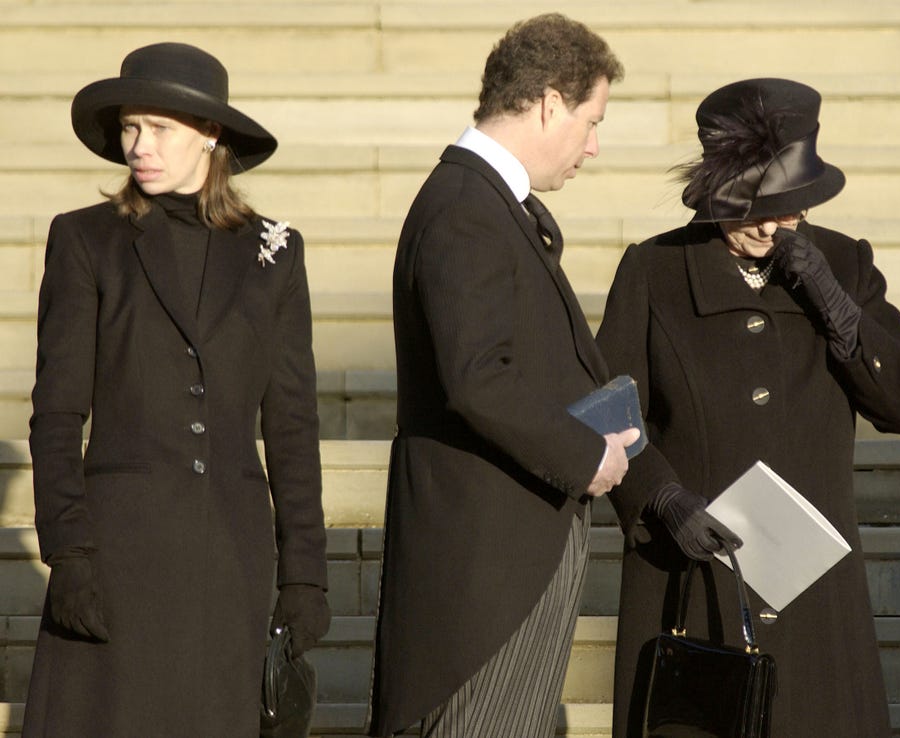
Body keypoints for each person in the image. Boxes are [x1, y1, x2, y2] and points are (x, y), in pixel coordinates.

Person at [596, 78, 900, 738]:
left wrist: (835, 304)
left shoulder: (842, 260)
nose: (769, 224)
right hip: (694, 576)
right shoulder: (653, 269)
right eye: (750, 206)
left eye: (787, 207)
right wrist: (663, 497)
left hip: (815, 592)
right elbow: (605, 404)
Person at [24, 42, 331, 737]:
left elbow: (292, 425)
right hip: (118, 557)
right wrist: (68, 552)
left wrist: (305, 576)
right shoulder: (85, 241)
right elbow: (56, 414)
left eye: (158, 128)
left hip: (230, 561)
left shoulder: (275, 252)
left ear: (210, 134)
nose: (138, 146)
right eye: (130, 128)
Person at [368, 14, 632, 738]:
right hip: (486, 576)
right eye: (590, 119)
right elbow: (478, 378)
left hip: (505, 557)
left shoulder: (485, 203)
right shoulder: (465, 209)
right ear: (549, 102)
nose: (594, 144)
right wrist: (588, 456)